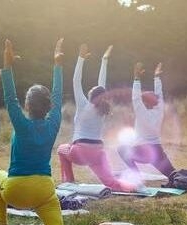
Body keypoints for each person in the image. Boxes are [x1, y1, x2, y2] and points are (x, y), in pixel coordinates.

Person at [0, 38, 64, 225]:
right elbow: (57, 96)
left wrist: (7, 66)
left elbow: (10, 98)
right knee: (53, 203)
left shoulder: (22, 124)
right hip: (43, 191)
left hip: (15, 191)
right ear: (49, 106)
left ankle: (2, 223)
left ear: (27, 104)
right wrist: (58, 65)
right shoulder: (53, 123)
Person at [57, 44, 135, 192]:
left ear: (91, 95)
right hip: (98, 153)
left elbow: (76, 81)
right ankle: (134, 187)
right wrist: (104, 60)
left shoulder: (84, 104)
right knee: (111, 183)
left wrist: (80, 58)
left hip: (80, 152)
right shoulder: (102, 109)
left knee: (61, 149)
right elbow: (102, 85)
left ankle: (69, 182)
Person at [117, 62, 176, 187]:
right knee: (173, 174)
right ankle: (177, 181)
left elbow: (135, 98)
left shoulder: (141, 112)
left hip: (141, 151)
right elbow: (160, 95)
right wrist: (157, 77)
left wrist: (136, 78)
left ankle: (136, 177)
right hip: (157, 152)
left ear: (146, 103)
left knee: (121, 149)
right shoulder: (159, 110)